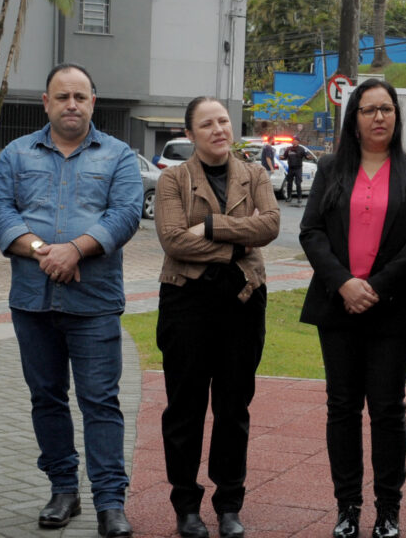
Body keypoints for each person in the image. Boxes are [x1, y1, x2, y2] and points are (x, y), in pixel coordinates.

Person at [0, 63, 140, 537]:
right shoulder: (16, 154)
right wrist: (43, 251)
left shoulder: (118, 156)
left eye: (80, 96)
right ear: (46, 102)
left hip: (95, 304)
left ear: (93, 102)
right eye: (63, 96)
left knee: (101, 402)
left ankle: (110, 503)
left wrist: (76, 249)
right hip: (32, 302)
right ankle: (63, 490)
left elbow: (126, 213)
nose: (72, 104)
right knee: (46, 398)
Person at [299, 79, 406, 538]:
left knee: (388, 410)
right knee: (342, 407)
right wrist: (343, 284)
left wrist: (372, 287)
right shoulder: (331, 167)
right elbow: (311, 232)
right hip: (337, 305)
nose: (379, 117)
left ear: (397, 116)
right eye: (369, 109)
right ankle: (347, 507)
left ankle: (388, 510)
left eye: (387, 109)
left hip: (391, 307)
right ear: (353, 119)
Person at [154, 97, 280, 538]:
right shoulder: (172, 179)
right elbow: (173, 240)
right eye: (206, 124)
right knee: (184, 407)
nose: (218, 129)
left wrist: (208, 226)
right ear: (190, 134)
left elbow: (270, 226)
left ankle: (229, 503)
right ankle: (186, 505)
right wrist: (238, 244)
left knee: (233, 407)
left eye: (223, 121)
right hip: (185, 302)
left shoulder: (255, 174)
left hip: (243, 301)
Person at [282, 136, 314, 202]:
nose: (294, 142)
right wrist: (280, 157)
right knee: (289, 183)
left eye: (295, 140)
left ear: (298, 142)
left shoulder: (301, 149)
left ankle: (299, 198)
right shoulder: (289, 149)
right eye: (293, 140)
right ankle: (289, 197)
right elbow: (284, 156)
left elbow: (307, 156)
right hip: (290, 168)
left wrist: (310, 157)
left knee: (298, 183)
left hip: (298, 168)